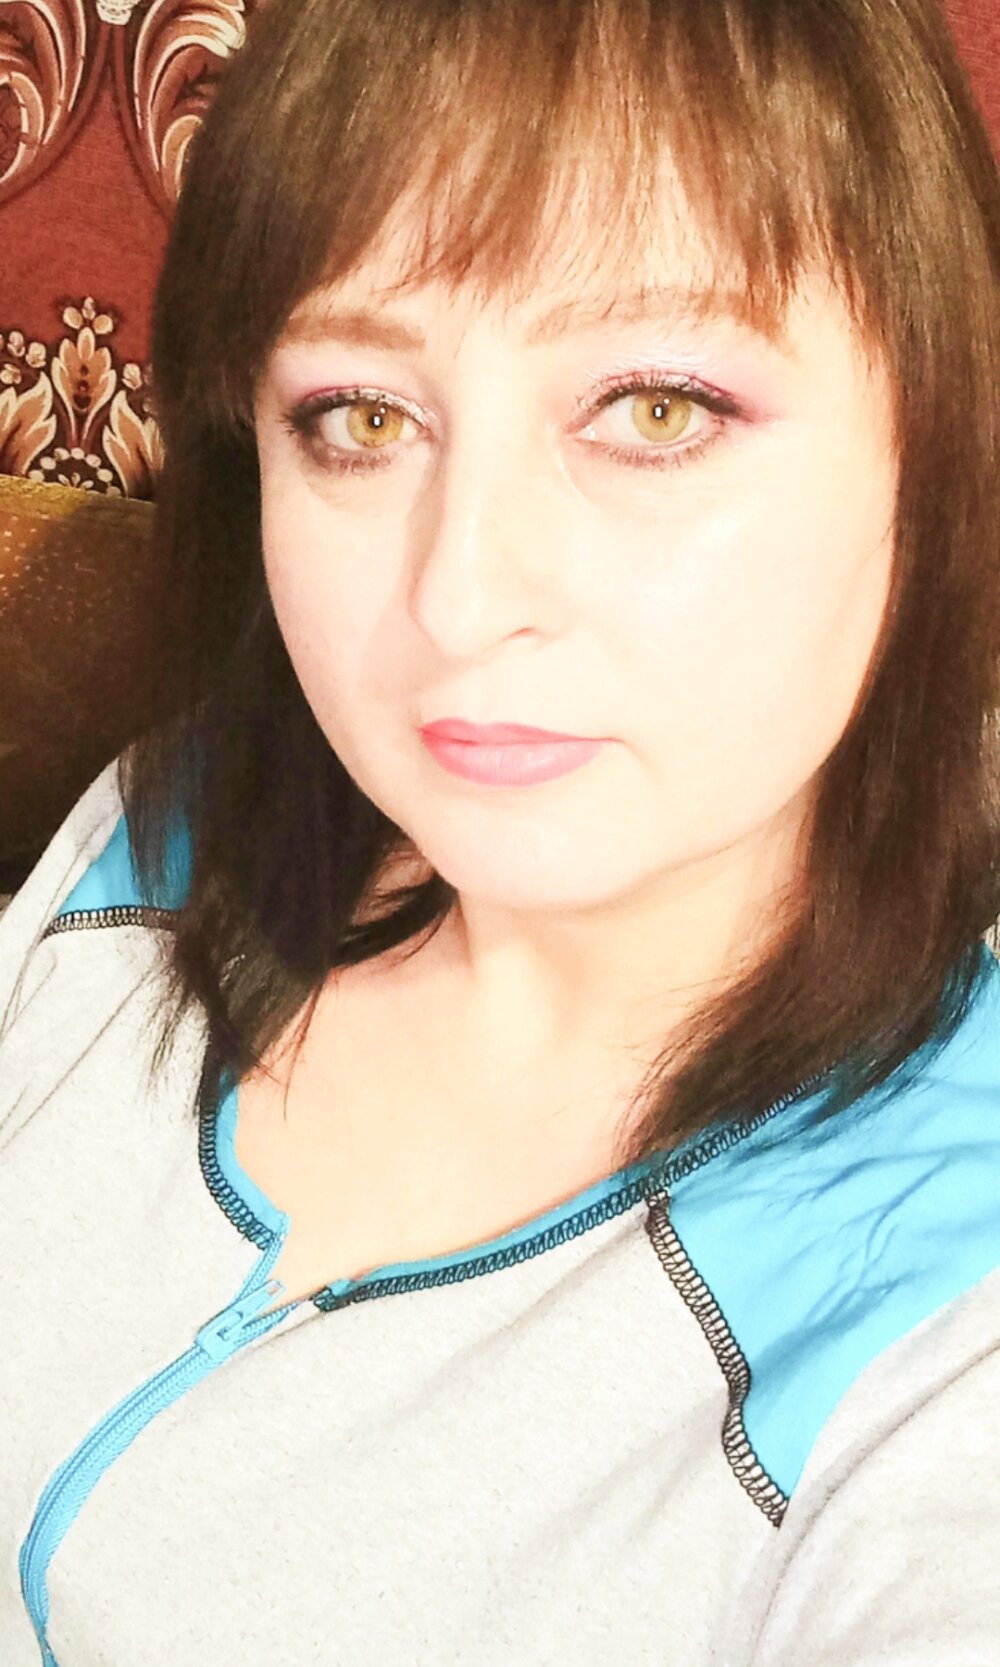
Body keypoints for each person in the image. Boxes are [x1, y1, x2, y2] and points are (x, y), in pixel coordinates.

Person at [2, 0, 1000, 1660]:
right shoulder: (171, 835)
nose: (460, 599)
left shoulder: (942, 1344)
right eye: (361, 417)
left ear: (937, 443)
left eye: (656, 408)